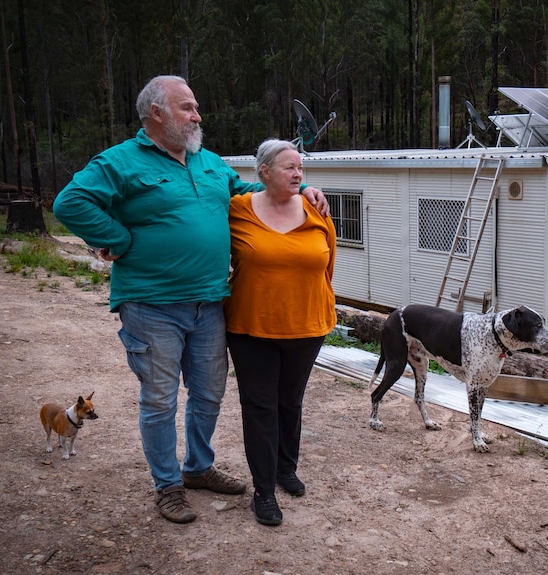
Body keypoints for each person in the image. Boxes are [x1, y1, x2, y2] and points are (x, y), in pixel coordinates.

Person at [52, 75, 329, 524]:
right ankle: (168, 486)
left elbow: (248, 197)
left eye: (196, 107)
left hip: (209, 303)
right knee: (160, 400)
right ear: (157, 113)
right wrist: (116, 238)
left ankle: (198, 468)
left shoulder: (208, 162)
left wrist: (300, 192)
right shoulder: (121, 161)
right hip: (152, 305)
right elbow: (70, 203)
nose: (197, 115)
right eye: (188, 107)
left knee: (208, 395)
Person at [224, 138, 336, 526]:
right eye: (289, 168)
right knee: (260, 407)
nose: (298, 174)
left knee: (291, 400)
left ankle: (286, 468)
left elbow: (327, 264)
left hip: (307, 325)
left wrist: (319, 308)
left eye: (301, 168)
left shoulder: (315, 207)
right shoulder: (237, 210)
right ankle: (263, 491)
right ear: (265, 172)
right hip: (251, 327)